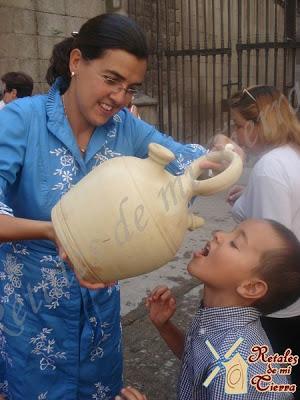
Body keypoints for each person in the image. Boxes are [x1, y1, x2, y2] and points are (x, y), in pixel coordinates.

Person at [0, 13, 220, 399]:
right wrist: (54, 231)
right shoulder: (22, 121)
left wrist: (216, 155)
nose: (120, 99)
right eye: (111, 79)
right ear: (76, 62)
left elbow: (184, 164)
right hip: (32, 317)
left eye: (132, 88)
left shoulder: (125, 129)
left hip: (98, 319)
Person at [141, 219, 300, 399]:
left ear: (251, 287)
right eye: (232, 230)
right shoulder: (217, 318)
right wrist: (165, 326)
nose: (218, 234)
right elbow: (199, 361)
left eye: (234, 243)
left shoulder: (233, 365)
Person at [224, 85, 300, 396]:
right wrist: (249, 195)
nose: (236, 133)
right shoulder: (289, 155)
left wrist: (248, 301)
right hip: (293, 301)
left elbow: (271, 249)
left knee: (269, 381)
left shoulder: (269, 168)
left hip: (278, 306)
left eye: (240, 126)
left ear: (257, 126)